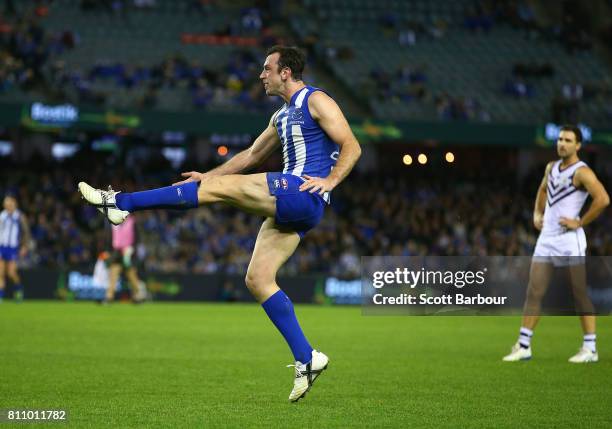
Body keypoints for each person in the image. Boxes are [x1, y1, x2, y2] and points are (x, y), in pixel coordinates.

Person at [78, 45, 362, 401]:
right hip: (293, 202)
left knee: (216, 191)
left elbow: (352, 145)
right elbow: (251, 155)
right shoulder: (282, 116)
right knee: (258, 279)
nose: (262, 75)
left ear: (285, 72)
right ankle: (307, 358)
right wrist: (207, 176)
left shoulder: (316, 100)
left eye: (267, 69)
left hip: (303, 191)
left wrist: (331, 182)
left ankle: (119, 202)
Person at [503, 125, 610, 363]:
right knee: (534, 291)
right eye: (560, 139)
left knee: (579, 293)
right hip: (547, 238)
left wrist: (580, 221)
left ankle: (590, 348)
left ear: (578, 145)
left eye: (568, 140)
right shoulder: (551, 167)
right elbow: (542, 190)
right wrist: (536, 213)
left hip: (569, 240)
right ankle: (523, 345)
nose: (562, 143)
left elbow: (603, 198)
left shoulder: (582, 172)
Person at [102, 214, 147, 304]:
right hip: (116, 252)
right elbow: (109, 236)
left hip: (128, 252)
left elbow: (137, 237)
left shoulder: (132, 221)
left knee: (131, 274)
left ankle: (139, 295)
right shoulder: (112, 220)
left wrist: (132, 249)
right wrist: (107, 250)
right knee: (113, 274)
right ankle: (109, 297)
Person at [0, 195, 31, 302]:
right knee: (1, 272)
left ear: (14, 204)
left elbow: (26, 232)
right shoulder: (2, 215)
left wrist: (24, 246)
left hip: (13, 248)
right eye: (6, 203)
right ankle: (1, 296)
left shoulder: (19, 216)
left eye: (9, 203)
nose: (7, 205)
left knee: (11, 273)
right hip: (2, 246)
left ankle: (19, 290)